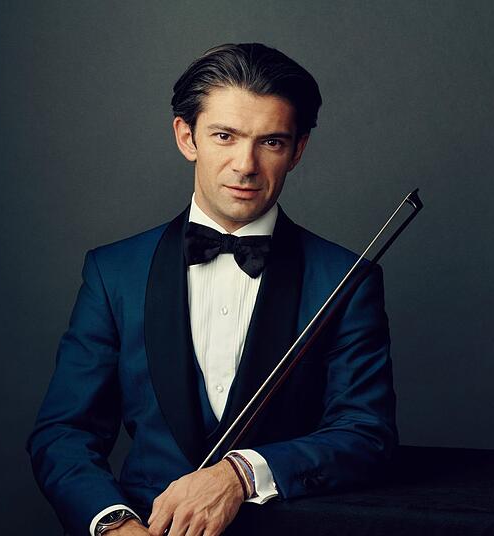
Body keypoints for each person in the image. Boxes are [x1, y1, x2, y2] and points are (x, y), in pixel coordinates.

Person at [27, 43, 397, 536]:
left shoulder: (346, 279)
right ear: (187, 137)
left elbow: (366, 434)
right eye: (225, 136)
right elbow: (64, 433)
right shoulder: (112, 271)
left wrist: (240, 475)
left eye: (271, 142)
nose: (245, 164)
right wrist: (114, 525)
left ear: (298, 150)